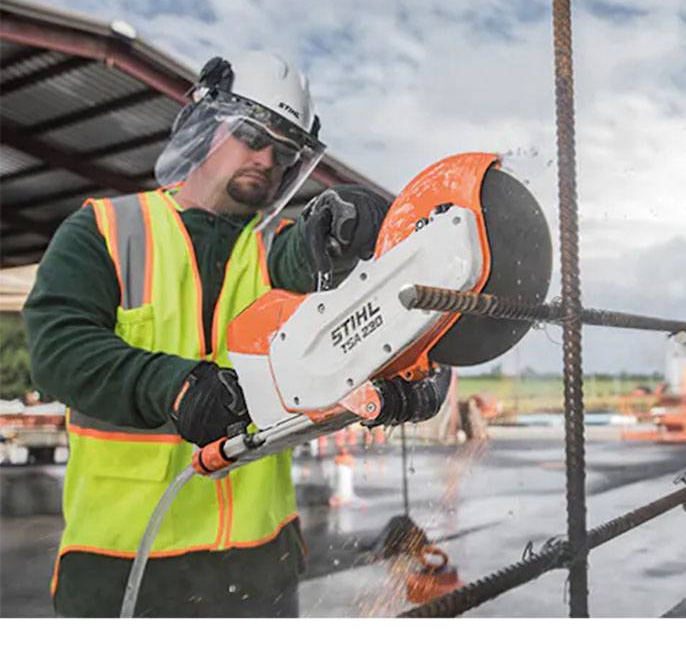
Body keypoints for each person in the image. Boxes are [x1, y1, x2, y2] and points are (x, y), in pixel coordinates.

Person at [23, 51, 421, 617]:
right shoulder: (106, 230)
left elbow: (305, 265)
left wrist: (334, 238)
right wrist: (176, 386)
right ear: (208, 125)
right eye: (252, 136)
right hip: (126, 565)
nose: (267, 159)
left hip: (261, 564)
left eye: (284, 152)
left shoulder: (272, 251)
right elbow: (59, 349)